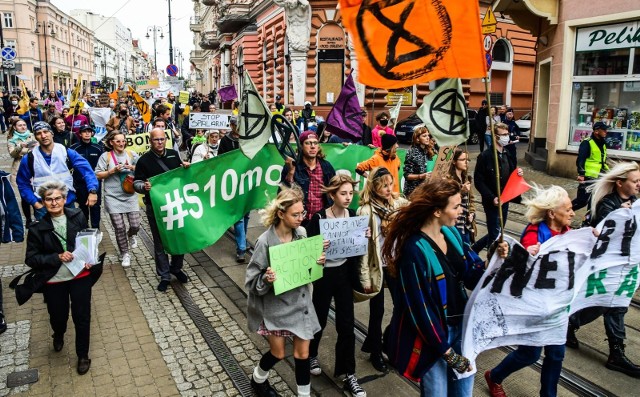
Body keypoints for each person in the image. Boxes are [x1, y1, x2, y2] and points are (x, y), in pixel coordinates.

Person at [382, 178, 490, 396]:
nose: (461, 211)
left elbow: (471, 274)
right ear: (437, 212)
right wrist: (448, 354)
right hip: (432, 341)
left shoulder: (453, 234)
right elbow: (420, 311)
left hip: (461, 330)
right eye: (456, 206)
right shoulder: (414, 251)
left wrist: (492, 261)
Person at [485, 185, 575, 397]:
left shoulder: (570, 233)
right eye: (568, 209)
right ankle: (495, 376)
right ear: (552, 213)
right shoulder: (534, 232)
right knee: (530, 354)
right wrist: (529, 253)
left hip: (557, 308)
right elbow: (521, 265)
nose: (573, 213)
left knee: (556, 354)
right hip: (534, 307)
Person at [245, 186, 326, 397]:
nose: (301, 218)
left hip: (300, 305)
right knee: (278, 353)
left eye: (303, 213)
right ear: (281, 214)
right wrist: (266, 278)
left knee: (303, 354)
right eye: (295, 214)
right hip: (276, 308)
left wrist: (317, 262)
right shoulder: (264, 241)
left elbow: (306, 270)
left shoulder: (302, 233)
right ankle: (258, 377)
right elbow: (251, 280)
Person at [568, 162, 640, 377]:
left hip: (625, 266)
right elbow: (605, 230)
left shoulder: (634, 202)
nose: (639, 184)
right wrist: (620, 214)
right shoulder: (607, 204)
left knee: (603, 305)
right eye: (635, 181)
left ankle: (569, 324)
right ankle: (616, 355)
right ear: (619, 183)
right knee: (614, 307)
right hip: (605, 267)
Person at [24, 181, 102, 375]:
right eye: (49, 199)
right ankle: (58, 333)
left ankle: (82, 355)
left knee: (82, 316)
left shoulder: (77, 215)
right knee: (58, 316)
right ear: (43, 202)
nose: (54, 202)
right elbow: (31, 259)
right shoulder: (37, 228)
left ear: (64, 199)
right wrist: (56, 257)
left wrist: (89, 259)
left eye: (57, 198)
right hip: (54, 280)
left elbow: (87, 240)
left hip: (80, 276)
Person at [305, 175, 367, 396]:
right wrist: (317, 247)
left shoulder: (353, 216)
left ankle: (348, 372)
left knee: (347, 325)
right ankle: (311, 354)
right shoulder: (319, 218)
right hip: (323, 276)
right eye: (343, 193)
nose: (348, 197)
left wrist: (363, 237)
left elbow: (356, 250)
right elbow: (306, 251)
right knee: (319, 319)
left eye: (351, 193)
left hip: (344, 275)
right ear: (332, 195)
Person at [356, 167, 408, 373]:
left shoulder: (399, 204)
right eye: (384, 185)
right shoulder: (365, 210)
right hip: (377, 266)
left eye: (391, 184)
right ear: (374, 187)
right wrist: (365, 279)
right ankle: (376, 352)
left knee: (401, 307)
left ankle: (385, 341)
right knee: (376, 312)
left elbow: (418, 213)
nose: (388, 189)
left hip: (395, 264)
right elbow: (362, 251)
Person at [133, 127, 190, 292]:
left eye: (162, 139)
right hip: (156, 208)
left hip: (175, 204)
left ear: (166, 139)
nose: (159, 142)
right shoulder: (144, 161)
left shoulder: (174, 154)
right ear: (150, 141)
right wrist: (144, 186)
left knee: (179, 237)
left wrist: (186, 167)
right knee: (160, 242)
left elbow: (181, 173)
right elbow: (136, 183)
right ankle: (164, 275)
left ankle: (176, 268)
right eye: (156, 139)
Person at [16, 121, 98, 221]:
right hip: (43, 206)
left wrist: (92, 190)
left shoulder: (66, 152)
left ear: (52, 133)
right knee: (44, 236)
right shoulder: (29, 158)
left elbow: (87, 170)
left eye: (46, 132)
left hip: (67, 203)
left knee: (71, 234)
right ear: (35, 137)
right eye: (39, 133)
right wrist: (35, 203)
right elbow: (22, 183)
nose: (43, 136)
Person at [473, 122, 521, 252]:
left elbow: (511, 173)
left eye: (507, 134)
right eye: (503, 135)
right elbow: (478, 181)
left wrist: (518, 174)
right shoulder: (485, 156)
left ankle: (475, 248)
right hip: (492, 202)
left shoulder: (507, 153)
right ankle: (491, 261)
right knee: (496, 235)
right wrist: (491, 197)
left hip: (505, 199)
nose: (506, 137)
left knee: (499, 231)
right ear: (495, 136)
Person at [95, 132, 140, 268]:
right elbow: (97, 174)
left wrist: (132, 167)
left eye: (123, 141)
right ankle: (125, 253)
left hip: (130, 195)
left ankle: (132, 234)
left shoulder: (132, 155)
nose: (121, 144)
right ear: (111, 143)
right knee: (119, 227)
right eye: (118, 141)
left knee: (135, 224)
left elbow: (143, 168)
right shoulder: (106, 157)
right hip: (112, 196)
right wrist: (111, 171)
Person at [281, 131, 336, 228]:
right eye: (308, 143)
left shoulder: (326, 167)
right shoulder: (292, 167)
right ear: (301, 146)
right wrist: (291, 173)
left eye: (315, 143)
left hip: (321, 220)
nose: (312, 146)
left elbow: (334, 192)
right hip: (299, 221)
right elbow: (282, 194)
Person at [218, 117, 250, 262]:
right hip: (233, 182)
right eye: (237, 125)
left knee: (247, 214)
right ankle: (241, 248)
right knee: (239, 217)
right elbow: (221, 160)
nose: (240, 127)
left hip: (248, 181)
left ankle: (243, 239)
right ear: (232, 126)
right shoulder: (225, 141)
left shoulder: (247, 138)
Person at [70, 125, 104, 229]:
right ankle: (84, 228)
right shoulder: (73, 148)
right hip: (79, 183)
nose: (87, 133)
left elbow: (102, 164)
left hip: (95, 182)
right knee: (83, 206)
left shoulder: (98, 148)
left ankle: (96, 228)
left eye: (89, 131)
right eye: (84, 131)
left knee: (95, 207)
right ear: (80, 134)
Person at [572, 121, 609, 210]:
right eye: (603, 130)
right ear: (596, 131)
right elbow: (581, 159)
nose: (606, 132)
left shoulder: (603, 143)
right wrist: (581, 174)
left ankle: (588, 221)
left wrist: (609, 172)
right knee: (581, 201)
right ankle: (561, 212)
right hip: (588, 177)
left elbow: (602, 160)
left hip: (599, 176)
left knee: (594, 201)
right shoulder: (587, 143)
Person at [7, 119, 36, 227]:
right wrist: (20, 147)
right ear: (15, 127)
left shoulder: (31, 135)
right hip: (20, 168)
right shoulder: (12, 139)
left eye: (24, 125)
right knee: (25, 195)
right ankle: (28, 219)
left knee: (36, 193)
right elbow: (13, 154)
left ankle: (38, 217)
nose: (23, 127)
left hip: (34, 166)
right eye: (20, 125)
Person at [448, 148, 476, 245]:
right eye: (463, 160)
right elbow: (448, 201)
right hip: (455, 223)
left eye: (467, 160)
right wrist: (461, 192)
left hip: (466, 223)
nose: (466, 162)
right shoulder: (449, 180)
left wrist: (472, 213)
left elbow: (471, 199)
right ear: (454, 161)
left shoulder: (466, 178)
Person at [403, 126, 436, 197]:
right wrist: (420, 176)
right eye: (424, 136)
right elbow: (407, 175)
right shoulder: (412, 152)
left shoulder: (428, 150)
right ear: (417, 139)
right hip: (413, 191)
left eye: (428, 135)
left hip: (425, 190)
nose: (428, 138)